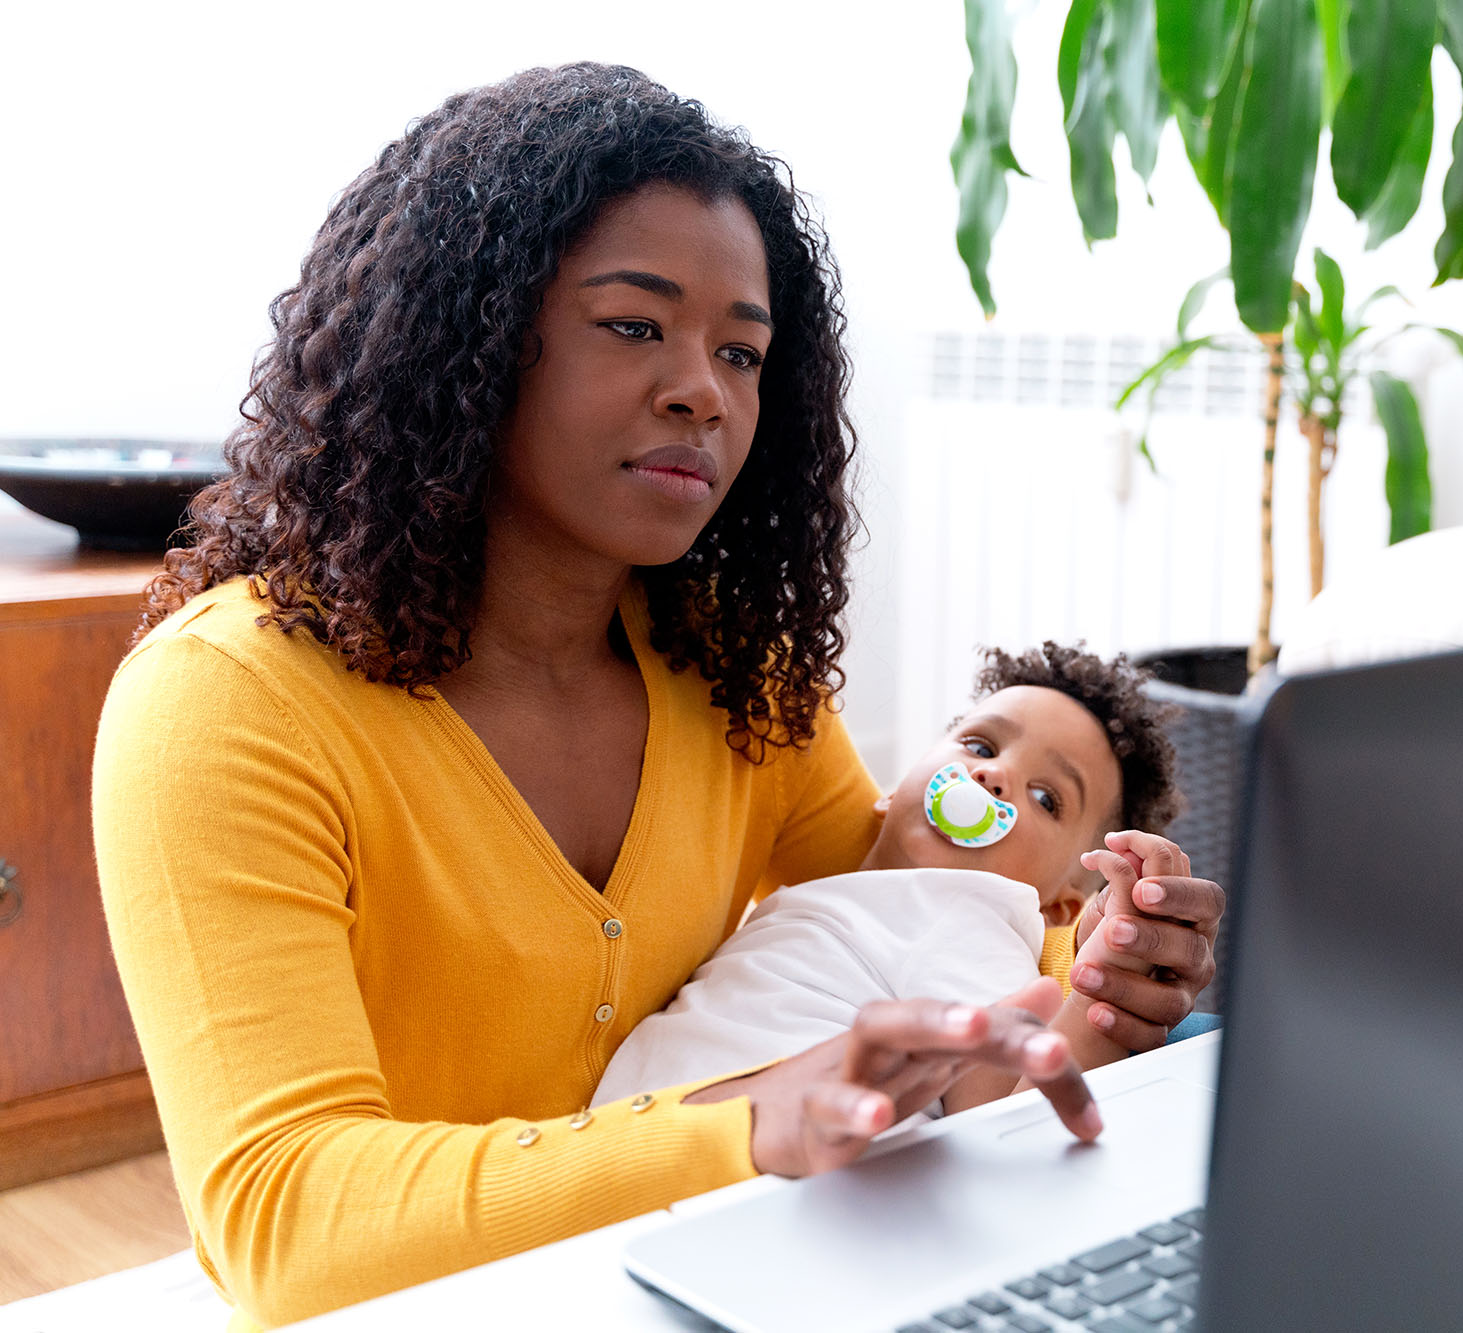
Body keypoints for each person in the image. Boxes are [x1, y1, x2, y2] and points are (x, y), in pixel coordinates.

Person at [90, 63, 1223, 1330]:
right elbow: (284, 1220)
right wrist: (746, 1119)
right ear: (462, 336)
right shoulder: (226, 705)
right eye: (635, 326)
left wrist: (1094, 967)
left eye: (741, 351)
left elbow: (900, 890)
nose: (706, 391)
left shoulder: (732, 672)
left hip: (690, 1280)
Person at [593, 641, 1188, 1113]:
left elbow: (1007, 1115)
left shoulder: (970, 914)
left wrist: (1106, 983)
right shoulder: (860, 897)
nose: (995, 776)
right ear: (892, 791)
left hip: (742, 1175)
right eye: (980, 746)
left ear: (1057, 908)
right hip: (652, 1154)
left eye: (1046, 798)